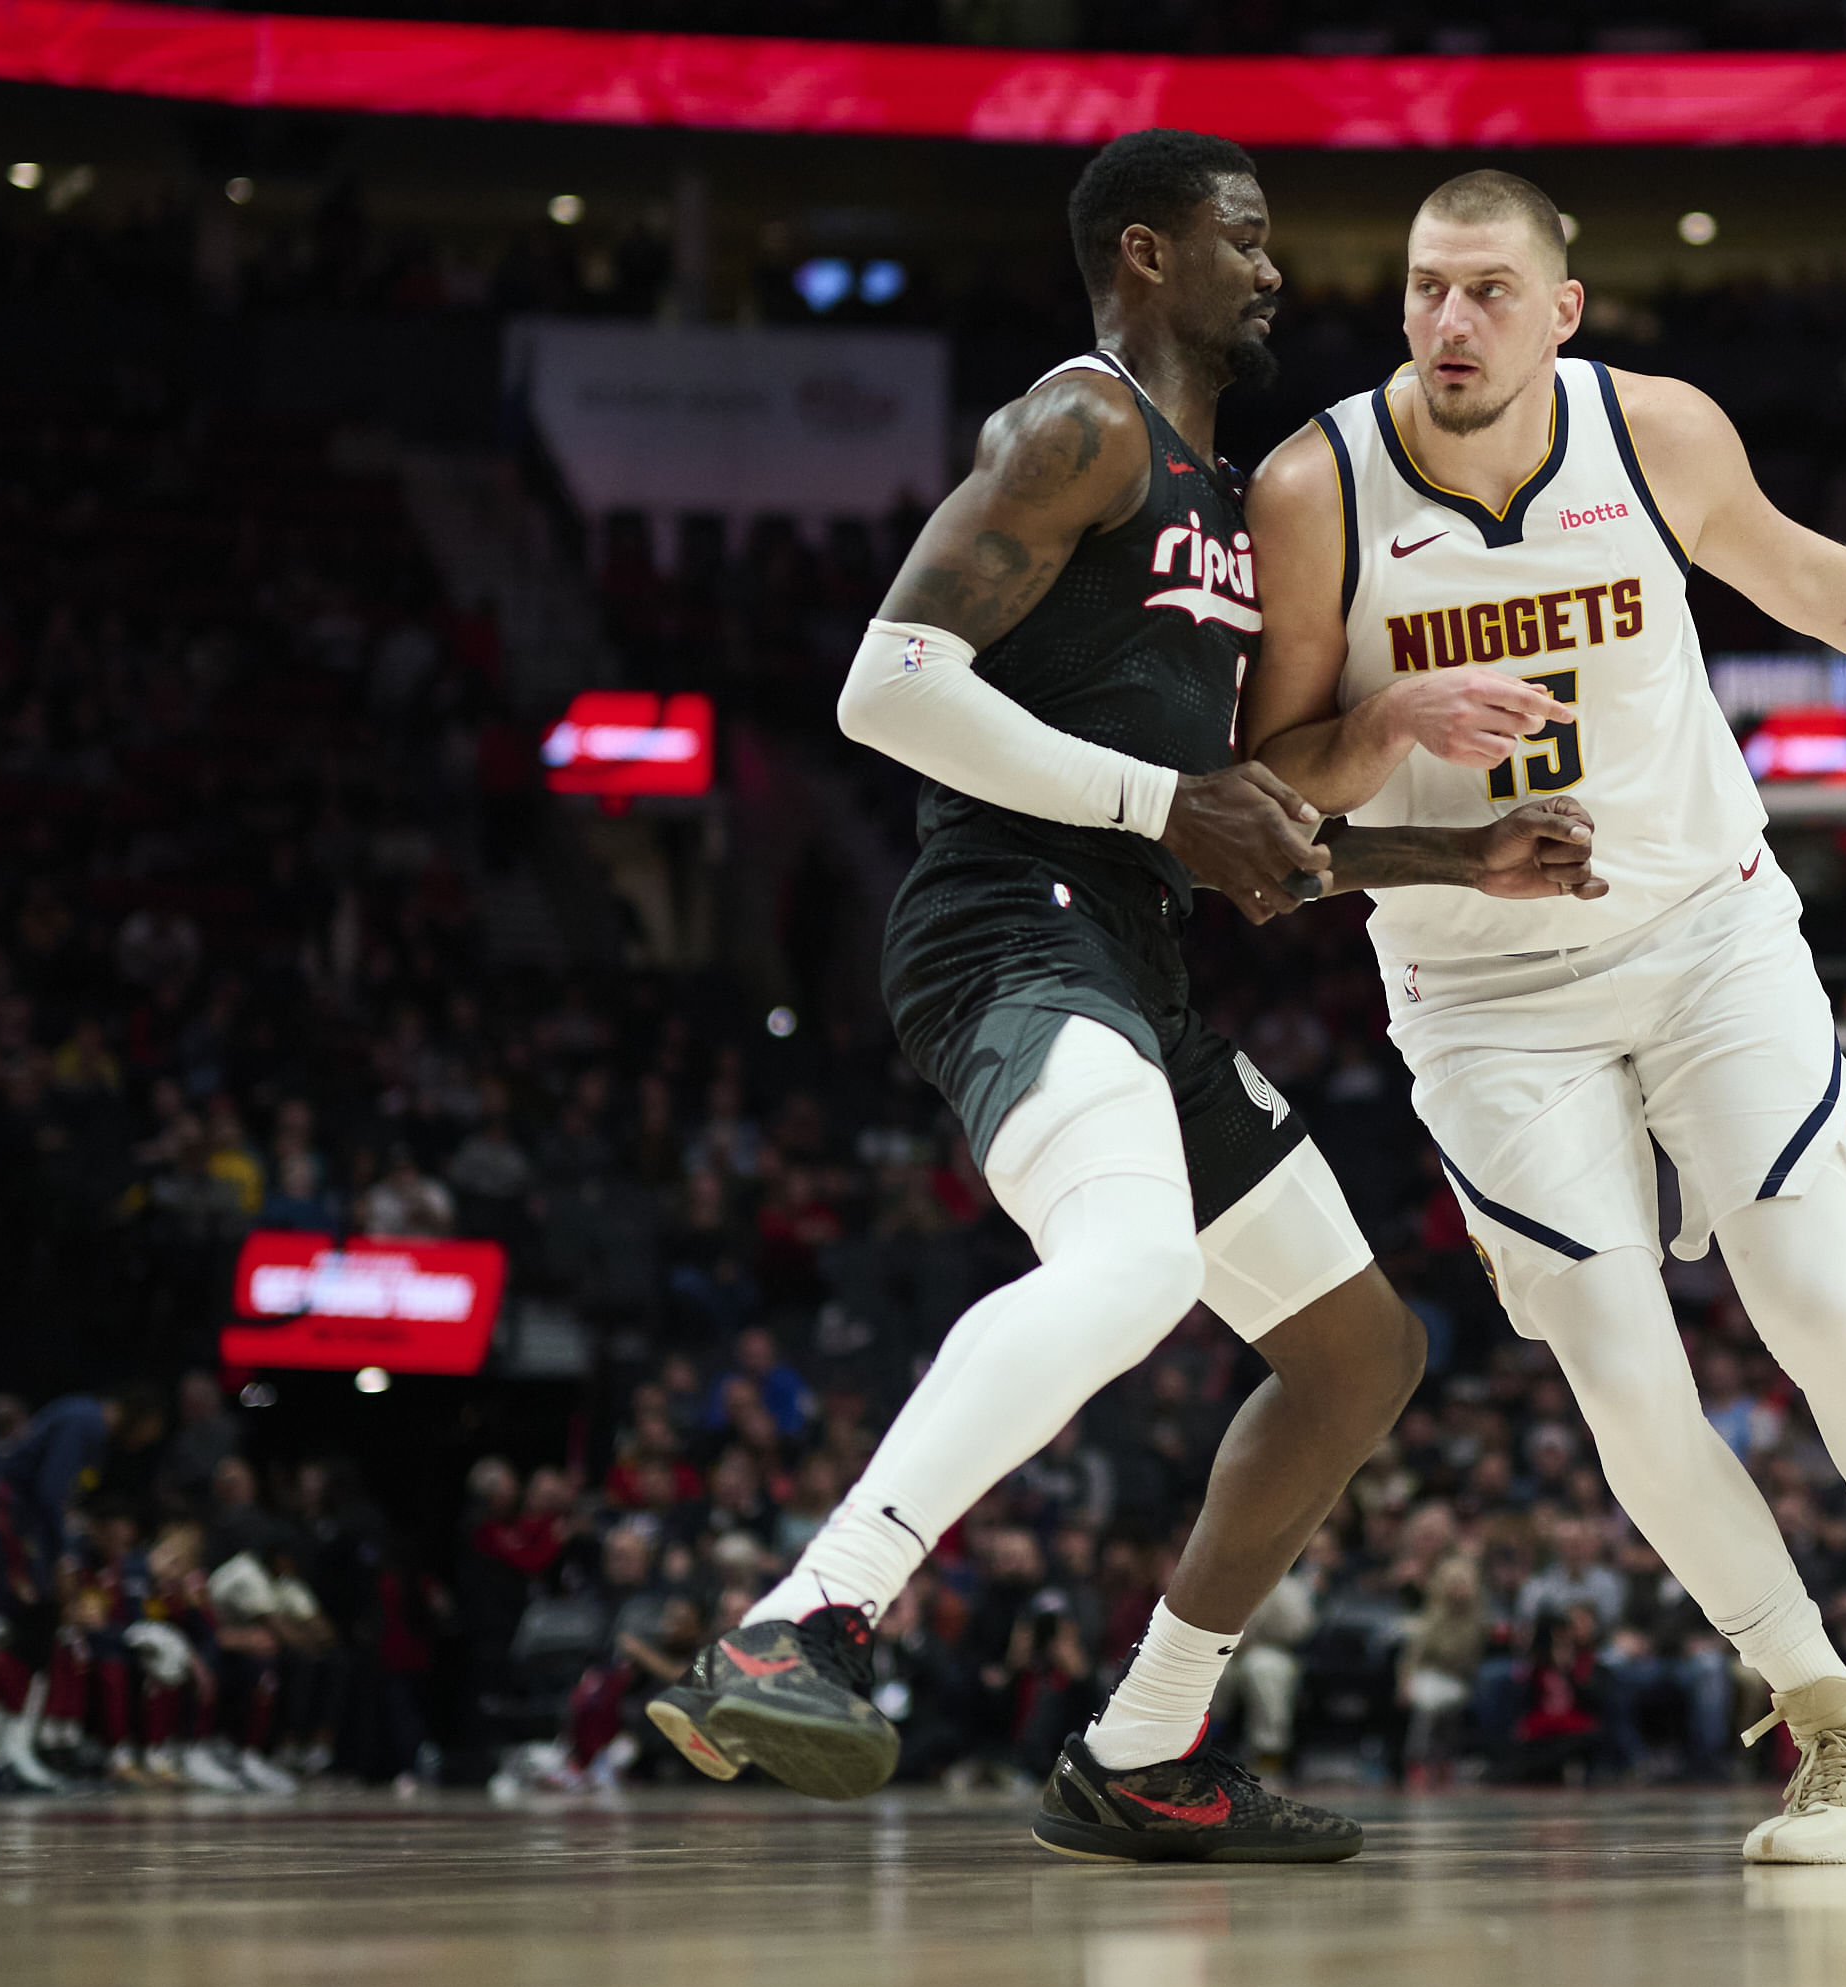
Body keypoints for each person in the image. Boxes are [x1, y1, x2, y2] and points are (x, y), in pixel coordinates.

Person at [645, 129, 1603, 1866]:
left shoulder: (1225, 506)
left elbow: (1246, 837)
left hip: (1135, 948)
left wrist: (1460, 862)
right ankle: (803, 1618)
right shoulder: (1078, 424)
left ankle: (1146, 1747)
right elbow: (888, 686)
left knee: (1359, 1351)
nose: (1273, 269)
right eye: (1241, 238)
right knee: (1139, 1265)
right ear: (1147, 253)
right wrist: (1162, 804)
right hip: (1010, 921)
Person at [1234, 167, 1846, 1862]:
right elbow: (1263, 788)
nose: (1450, 320)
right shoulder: (1314, 483)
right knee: (1622, 1372)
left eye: (1487, 290)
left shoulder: (1657, 434)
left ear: (1563, 309)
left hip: (1706, 932)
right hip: (1479, 990)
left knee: (1804, 1278)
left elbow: (1804, 581)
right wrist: (1389, 709)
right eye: (1425, 290)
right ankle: (1833, 1725)